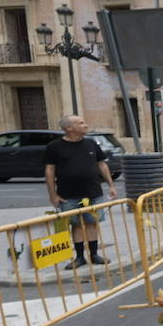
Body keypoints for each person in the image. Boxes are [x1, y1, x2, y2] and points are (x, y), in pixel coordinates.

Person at [44, 114, 117, 269]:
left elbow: (101, 165)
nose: (85, 125)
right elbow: (50, 171)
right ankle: (79, 258)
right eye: (81, 123)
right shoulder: (54, 146)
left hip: (93, 192)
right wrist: (53, 194)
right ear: (69, 128)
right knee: (76, 226)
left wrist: (111, 185)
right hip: (67, 195)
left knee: (92, 224)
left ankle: (94, 254)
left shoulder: (91, 144)